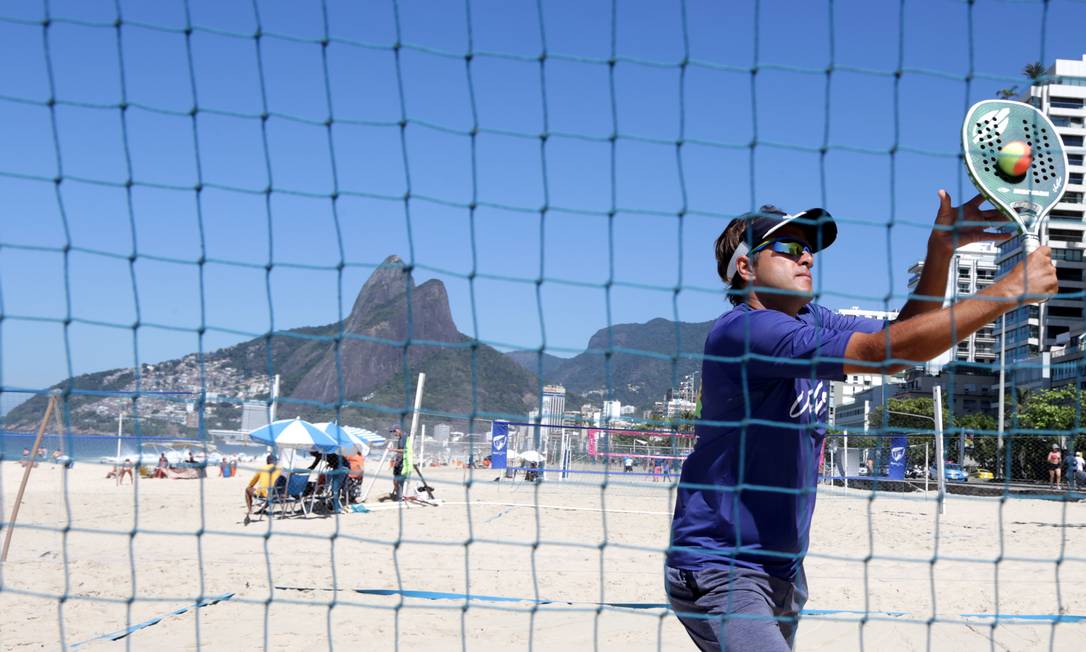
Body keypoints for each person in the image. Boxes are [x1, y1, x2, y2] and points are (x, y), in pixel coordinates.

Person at [666, 195, 1057, 651]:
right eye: (789, 248)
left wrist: (941, 250)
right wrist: (1007, 293)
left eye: (810, 249)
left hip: (783, 569)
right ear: (745, 268)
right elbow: (884, 356)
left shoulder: (811, 317)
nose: (807, 256)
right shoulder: (744, 331)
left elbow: (903, 330)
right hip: (722, 566)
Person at [244, 454, 281, 525]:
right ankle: (262, 509)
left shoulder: (262, 469)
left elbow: (252, 482)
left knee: (247, 489)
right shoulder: (279, 470)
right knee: (271, 492)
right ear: (274, 461)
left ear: (268, 461)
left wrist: (250, 486)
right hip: (277, 494)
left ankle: (250, 510)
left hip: (264, 493)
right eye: (276, 461)